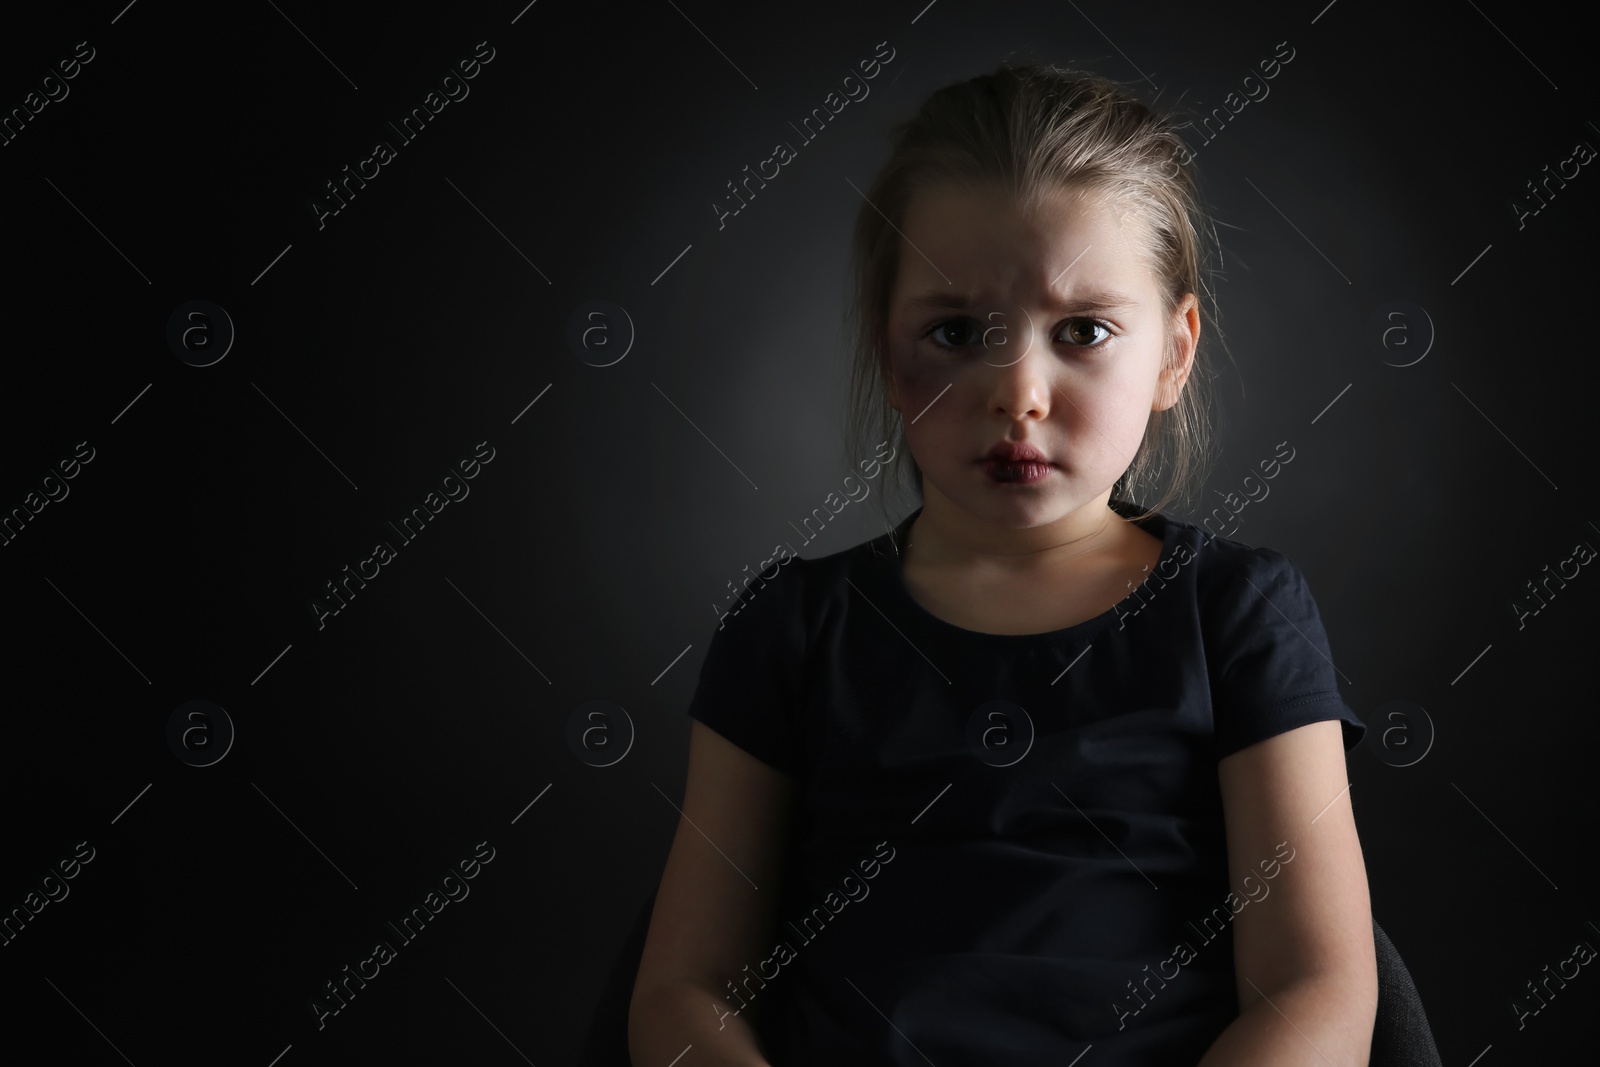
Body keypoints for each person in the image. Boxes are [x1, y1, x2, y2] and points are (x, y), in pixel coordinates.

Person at [629, 64, 1378, 1066]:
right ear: (893, 357)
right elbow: (684, 987)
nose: (1017, 390)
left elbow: (1317, 986)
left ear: (1172, 352)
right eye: (955, 332)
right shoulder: (792, 628)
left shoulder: (1239, 615)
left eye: (1082, 332)